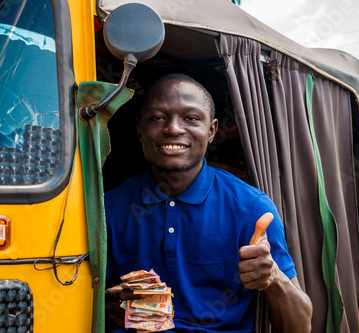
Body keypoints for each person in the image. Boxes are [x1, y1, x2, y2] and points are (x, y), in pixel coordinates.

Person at [105, 74, 312, 333]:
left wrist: (273, 278)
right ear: (139, 128)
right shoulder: (109, 207)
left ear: (212, 130)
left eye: (191, 118)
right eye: (158, 118)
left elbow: (300, 327)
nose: (173, 129)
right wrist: (106, 304)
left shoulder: (252, 209)